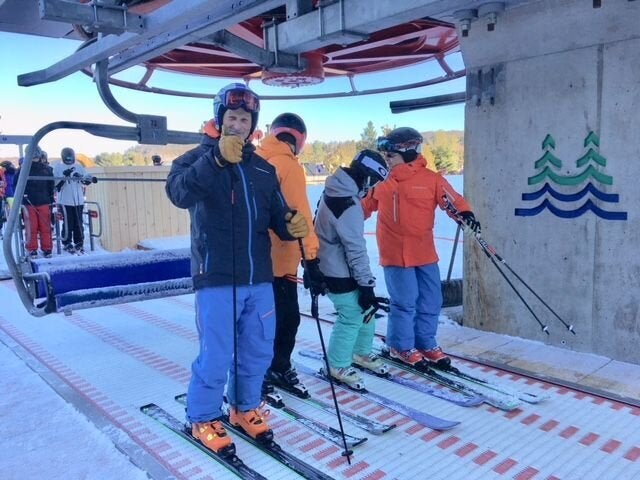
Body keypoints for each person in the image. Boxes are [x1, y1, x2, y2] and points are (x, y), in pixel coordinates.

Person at [165, 83, 309, 453]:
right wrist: (215, 161)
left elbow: (276, 215)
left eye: (245, 119)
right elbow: (179, 194)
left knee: (257, 349)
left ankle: (244, 408)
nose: (239, 124)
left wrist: (290, 223)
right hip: (216, 277)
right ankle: (202, 417)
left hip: (258, 276)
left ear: (252, 124)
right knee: (217, 352)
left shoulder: (261, 168)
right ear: (220, 119)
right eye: (232, 117)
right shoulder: (196, 159)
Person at [362, 127, 481, 367]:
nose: (387, 159)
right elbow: (363, 206)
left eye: (391, 155)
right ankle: (400, 345)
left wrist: (465, 214)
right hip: (394, 252)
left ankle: (425, 342)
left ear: (408, 152)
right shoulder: (383, 181)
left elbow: (452, 200)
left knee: (431, 299)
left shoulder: (431, 180)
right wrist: (343, 215)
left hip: (424, 251)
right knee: (405, 301)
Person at [255, 113, 325, 398]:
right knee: (287, 319)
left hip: (256, 260)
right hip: (281, 261)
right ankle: (275, 368)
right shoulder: (288, 166)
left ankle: (256, 369)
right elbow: (300, 216)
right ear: (298, 140)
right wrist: (311, 260)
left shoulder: (257, 160)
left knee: (259, 321)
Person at [314, 149, 391, 390]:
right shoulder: (348, 204)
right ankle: (336, 365)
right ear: (366, 177)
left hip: (334, 264)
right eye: (374, 182)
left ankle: (360, 352)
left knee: (366, 309)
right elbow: (355, 248)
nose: (372, 188)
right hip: (338, 269)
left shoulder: (335, 190)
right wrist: (366, 284)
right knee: (352, 315)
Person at [53, 147, 92, 254]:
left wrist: (86, 180)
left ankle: (79, 241)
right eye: (67, 158)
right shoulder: (58, 167)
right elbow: (56, 185)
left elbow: (85, 180)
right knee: (68, 222)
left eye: (71, 158)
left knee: (78, 222)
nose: (69, 160)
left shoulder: (79, 167)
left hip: (78, 200)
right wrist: (64, 177)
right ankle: (66, 241)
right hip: (65, 200)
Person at [22, 147, 55, 258]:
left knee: (32, 227)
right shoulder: (47, 169)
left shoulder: (23, 169)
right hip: (42, 201)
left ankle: (33, 249)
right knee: (44, 227)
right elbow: (51, 186)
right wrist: (50, 198)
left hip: (30, 202)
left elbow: (17, 186)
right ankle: (46, 248)